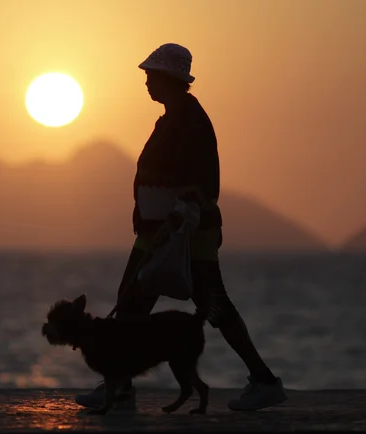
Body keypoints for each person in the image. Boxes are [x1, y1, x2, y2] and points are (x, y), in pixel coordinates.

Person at [74, 43, 288, 412]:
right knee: (134, 302)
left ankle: (264, 381)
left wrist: (176, 220)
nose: (145, 82)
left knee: (204, 305)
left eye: (150, 75)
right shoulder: (175, 116)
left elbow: (201, 181)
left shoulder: (188, 119)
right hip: (160, 232)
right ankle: (120, 388)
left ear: (167, 78)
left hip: (182, 234)